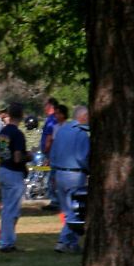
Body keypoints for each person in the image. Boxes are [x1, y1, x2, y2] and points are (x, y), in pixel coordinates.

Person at [49, 105, 90, 254]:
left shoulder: (62, 131)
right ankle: (62, 241)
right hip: (75, 175)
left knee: (67, 210)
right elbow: (82, 157)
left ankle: (72, 243)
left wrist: (53, 174)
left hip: (59, 173)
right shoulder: (82, 134)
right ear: (83, 117)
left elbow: (53, 154)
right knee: (75, 210)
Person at [0, 102, 28, 253]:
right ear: (21, 116)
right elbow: (17, 157)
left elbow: (1, 152)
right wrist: (29, 156)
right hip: (14, 173)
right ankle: (7, 243)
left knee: (7, 208)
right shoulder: (18, 134)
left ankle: (6, 240)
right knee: (12, 210)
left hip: (3, 170)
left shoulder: (3, 132)